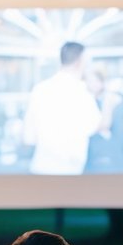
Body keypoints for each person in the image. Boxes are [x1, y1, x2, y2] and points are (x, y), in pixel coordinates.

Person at [22, 41, 102, 174]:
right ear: (80, 62)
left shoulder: (40, 90)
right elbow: (95, 126)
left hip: (40, 169)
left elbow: (28, 137)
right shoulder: (82, 93)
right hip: (68, 173)